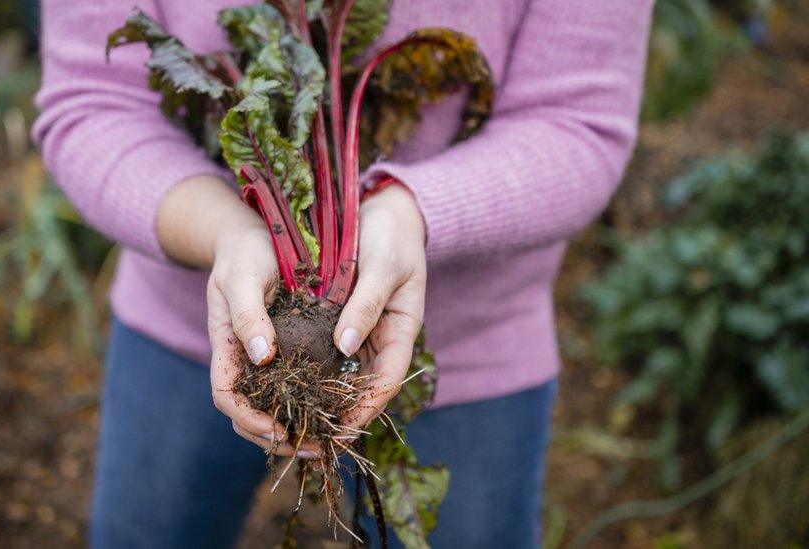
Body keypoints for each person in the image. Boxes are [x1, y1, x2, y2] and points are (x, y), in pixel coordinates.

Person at [33, 0, 652, 547]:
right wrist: (227, 230)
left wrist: (411, 210)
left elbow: (580, 126)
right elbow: (93, 103)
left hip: (472, 359)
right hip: (183, 331)